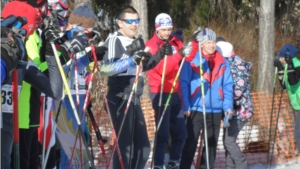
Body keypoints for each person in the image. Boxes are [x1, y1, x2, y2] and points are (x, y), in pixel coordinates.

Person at [102, 6, 164, 169]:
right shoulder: (114, 39)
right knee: (125, 147)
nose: (134, 24)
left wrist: (159, 55)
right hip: (119, 95)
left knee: (143, 146)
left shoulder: (135, 41)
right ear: (119, 23)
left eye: (136, 20)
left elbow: (141, 67)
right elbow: (105, 69)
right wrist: (131, 59)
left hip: (133, 96)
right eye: (129, 21)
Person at [179, 28, 234, 169]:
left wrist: (227, 105)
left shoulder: (222, 61)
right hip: (196, 107)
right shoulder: (192, 61)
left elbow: (228, 85)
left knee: (211, 145)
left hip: (216, 109)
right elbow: (183, 83)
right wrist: (185, 104)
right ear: (201, 44)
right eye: (208, 42)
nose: (211, 45)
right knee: (190, 143)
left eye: (213, 42)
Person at [145, 13, 188, 169]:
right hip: (160, 91)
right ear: (157, 28)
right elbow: (164, 70)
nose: (167, 33)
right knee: (163, 133)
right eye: (164, 30)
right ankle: (157, 164)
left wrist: (194, 44)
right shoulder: (152, 45)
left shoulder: (174, 41)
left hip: (174, 92)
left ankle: (173, 161)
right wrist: (179, 56)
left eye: (169, 29)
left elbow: (186, 56)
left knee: (181, 133)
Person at [216, 40, 253, 169]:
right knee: (227, 141)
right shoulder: (229, 63)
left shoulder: (236, 65)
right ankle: (230, 166)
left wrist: (225, 99)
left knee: (229, 141)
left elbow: (237, 89)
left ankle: (241, 164)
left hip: (240, 111)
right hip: (232, 112)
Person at [274, 44, 300, 153]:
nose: (279, 58)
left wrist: (289, 66)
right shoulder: (287, 66)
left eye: (281, 56)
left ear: (288, 56)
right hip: (297, 105)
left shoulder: (297, 65)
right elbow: (284, 85)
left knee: (297, 134)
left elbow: (293, 82)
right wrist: (280, 69)